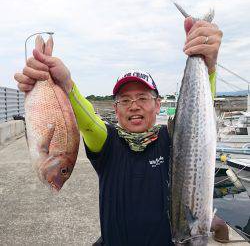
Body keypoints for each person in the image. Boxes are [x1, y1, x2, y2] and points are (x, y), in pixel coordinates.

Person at [14, 17, 223, 246]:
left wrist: (208, 67)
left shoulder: (174, 141)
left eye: (143, 98)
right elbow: (89, 120)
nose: (134, 105)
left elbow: (199, 124)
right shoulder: (107, 143)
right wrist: (66, 84)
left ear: (157, 105)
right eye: (125, 100)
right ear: (116, 108)